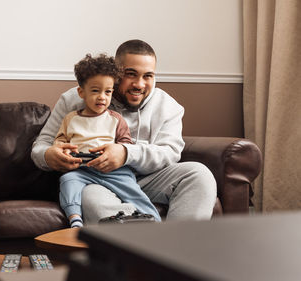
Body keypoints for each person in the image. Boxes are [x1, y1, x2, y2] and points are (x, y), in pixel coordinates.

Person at [31, 39, 217, 223]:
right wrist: (49, 156)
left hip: (150, 179)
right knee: (89, 196)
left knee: (199, 175)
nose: (139, 84)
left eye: (148, 76)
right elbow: (42, 144)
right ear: (116, 73)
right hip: (95, 179)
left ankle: (178, 249)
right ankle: (137, 240)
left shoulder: (168, 106)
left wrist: (126, 153)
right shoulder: (75, 99)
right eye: (131, 74)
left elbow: (170, 152)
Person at [55, 54, 161, 228]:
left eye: (108, 92)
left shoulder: (116, 119)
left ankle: (155, 222)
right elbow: (60, 140)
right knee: (67, 181)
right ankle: (74, 218)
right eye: (95, 91)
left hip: (115, 171)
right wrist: (62, 150)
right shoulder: (71, 119)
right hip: (83, 170)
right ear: (81, 92)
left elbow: (126, 145)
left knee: (134, 192)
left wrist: (118, 150)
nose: (102, 97)